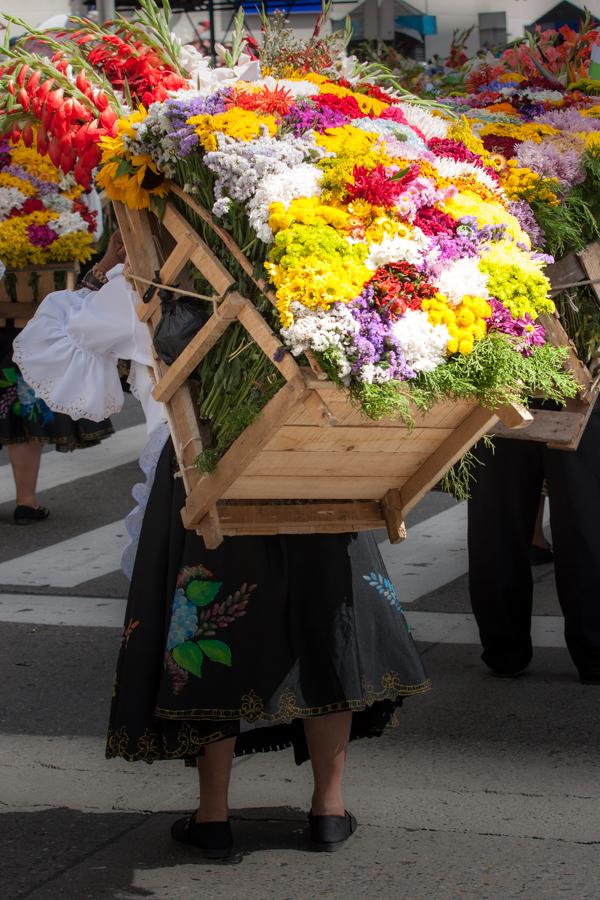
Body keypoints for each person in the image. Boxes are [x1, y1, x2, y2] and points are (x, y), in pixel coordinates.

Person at [15, 242, 431, 857]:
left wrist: (108, 265)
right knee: (326, 623)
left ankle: (213, 816)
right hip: (310, 461)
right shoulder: (321, 264)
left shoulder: (152, 281)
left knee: (206, 630)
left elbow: (65, 338)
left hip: (198, 465)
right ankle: (329, 809)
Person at [467, 402, 600, 684]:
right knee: (584, 519)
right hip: (573, 385)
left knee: (497, 521)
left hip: (507, 385)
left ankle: (504, 649)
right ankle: (593, 652)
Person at [1, 248, 116, 524]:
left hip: (30, 328)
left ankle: (26, 501)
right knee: (24, 417)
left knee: (23, 413)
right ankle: (26, 501)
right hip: (36, 331)